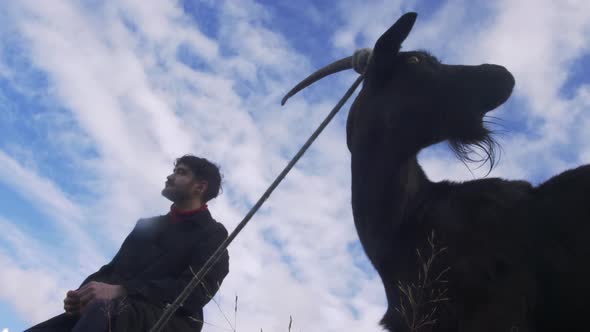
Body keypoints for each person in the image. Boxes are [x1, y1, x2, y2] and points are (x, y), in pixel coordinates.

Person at [26, 155, 230, 332]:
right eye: (173, 171)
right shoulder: (147, 225)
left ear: (200, 187)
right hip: (112, 308)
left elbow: (196, 292)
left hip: (170, 319)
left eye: (180, 172)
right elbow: (112, 270)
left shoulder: (213, 234)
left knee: (102, 312)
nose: (169, 176)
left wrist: (122, 290)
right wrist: (82, 294)